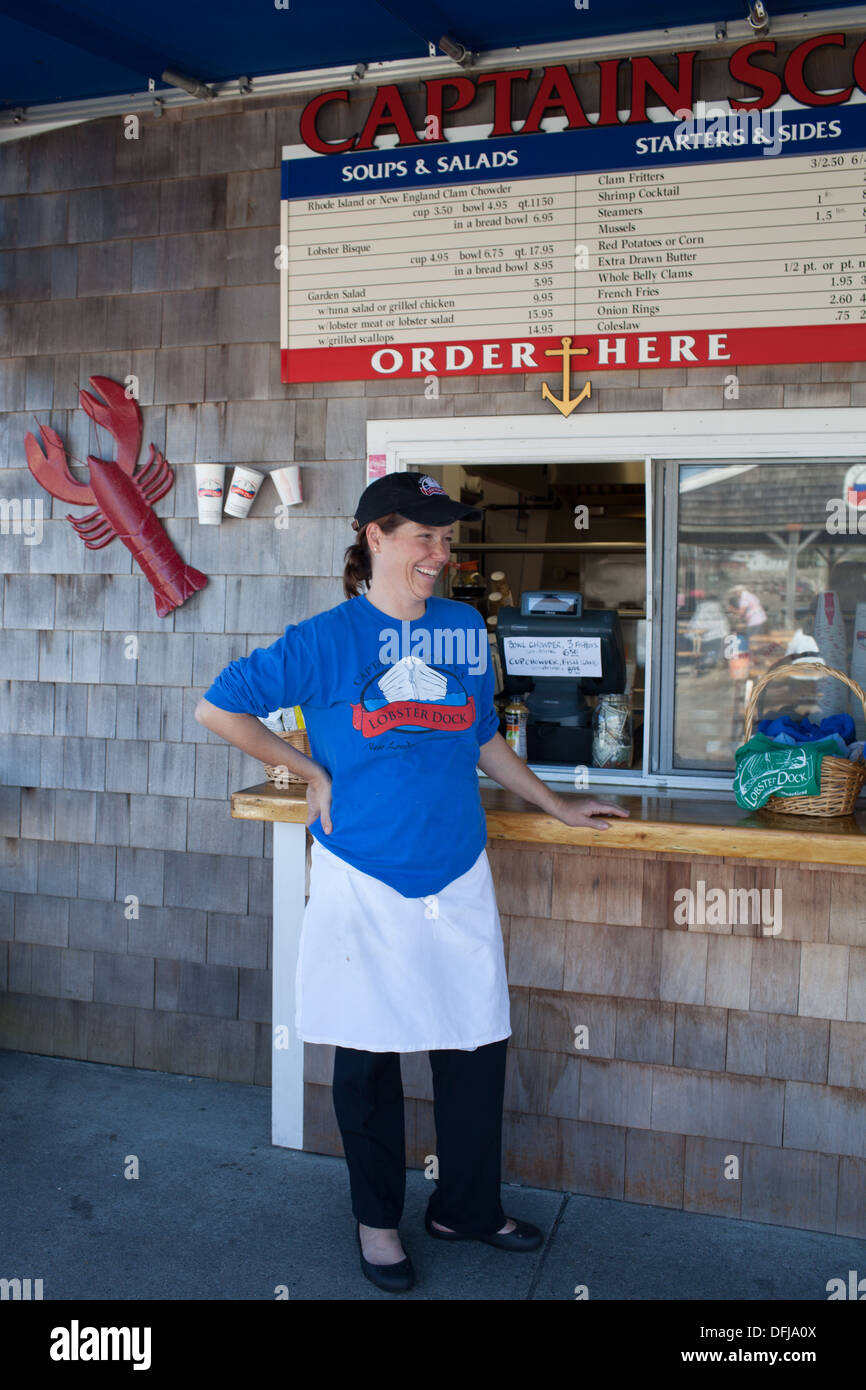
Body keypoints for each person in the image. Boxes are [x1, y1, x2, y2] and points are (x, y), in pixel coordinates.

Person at [195, 471, 629, 1294]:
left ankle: (465, 1205)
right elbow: (218, 707)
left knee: (475, 1042)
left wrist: (554, 802)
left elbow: (481, 737)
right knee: (368, 1060)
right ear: (375, 539)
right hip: (363, 872)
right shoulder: (326, 638)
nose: (440, 553)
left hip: (457, 868)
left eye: (446, 538)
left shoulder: (464, 627)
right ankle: (377, 1222)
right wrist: (304, 768)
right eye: (424, 536)